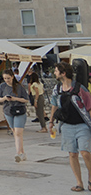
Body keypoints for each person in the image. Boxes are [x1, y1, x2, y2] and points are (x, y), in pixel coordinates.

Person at [49, 61, 91, 192]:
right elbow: (54, 105)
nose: (54, 73)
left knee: (85, 153)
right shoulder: (57, 89)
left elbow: (89, 107)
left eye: (56, 71)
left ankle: (90, 178)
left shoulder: (79, 88)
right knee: (72, 154)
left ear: (63, 73)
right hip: (67, 126)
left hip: (82, 125)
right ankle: (79, 183)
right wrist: (51, 122)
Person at [0, 68, 30, 162]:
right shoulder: (3, 86)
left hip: (19, 110)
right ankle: (22, 152)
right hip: (8, 111)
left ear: (12, 77)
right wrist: (4, 98)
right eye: (5, 78)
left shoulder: (19, 86)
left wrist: (15, 98)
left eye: (8, 78)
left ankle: (18, 153)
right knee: (15, 132)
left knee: (18, 132)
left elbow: (26, 99)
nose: (7, 80)